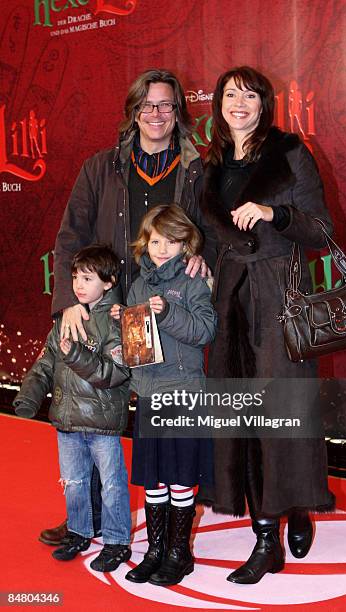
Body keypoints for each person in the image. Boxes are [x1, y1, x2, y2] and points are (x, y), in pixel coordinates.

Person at [41, 68, 209, 546]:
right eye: (147, 105)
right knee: (98, 413)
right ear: (133, 112)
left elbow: (212, 234)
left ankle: (169, 538)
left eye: (166, 105)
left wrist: (202, 262)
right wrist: (69, 304)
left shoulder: (197, 168)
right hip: (113, 312)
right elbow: (70, 237)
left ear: (178, 113)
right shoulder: (100, 167)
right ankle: (84, 520)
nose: (156, 114)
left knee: (163, 418)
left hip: (163, 310)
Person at [197, 66, 335, 584]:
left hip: (279, 297)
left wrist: (274, 213)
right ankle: (264, 536)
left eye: (249, 96)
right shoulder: (207, 166)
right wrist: (200, 260)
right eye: (230, 94)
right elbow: (209, 237)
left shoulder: (289, 154)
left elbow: (321, 229)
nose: (239, 103)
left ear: (264, 105)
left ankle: (292, 506)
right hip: (230, 302)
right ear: (218, 104)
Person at [112, 204, 216, 586]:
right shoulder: (138, 283)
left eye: (171, 241)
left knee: (180, 478)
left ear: (185, 243)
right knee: (154, 480)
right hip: (148, 395)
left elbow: (205, 331)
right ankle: (155, 550)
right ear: (145, 242)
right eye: (156, 240)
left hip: (184, 395)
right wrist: (122, 340)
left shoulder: (192, 282)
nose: (162, 248)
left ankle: (178, 553)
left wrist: (168, 311)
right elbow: (138, 345)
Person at [13, 245, 131, 572]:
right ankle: (79, 532)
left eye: (88, 278)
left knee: (112, 485)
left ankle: (117, 541)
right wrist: (28, 397)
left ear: (108, 282)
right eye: (76, 277)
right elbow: (44, 365)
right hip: (66, 422)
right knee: (74, 482)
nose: (78, 285)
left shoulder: (116, 320)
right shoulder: (66, 317)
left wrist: (77, 355)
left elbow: (116, 373)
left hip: (101, 425)